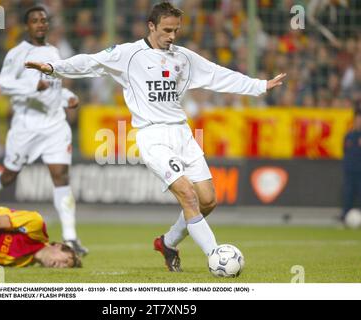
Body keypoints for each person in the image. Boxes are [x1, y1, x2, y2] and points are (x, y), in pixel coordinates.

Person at [26, 2, 286, 272]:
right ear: (151, 26)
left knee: (208, 200)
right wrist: (53, 67)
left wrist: (259, 85)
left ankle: (168, 242)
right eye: (166, 30)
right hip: (153, 136)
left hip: (182, 133)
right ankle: (216, 256)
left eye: (176, 30)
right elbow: (90, 62)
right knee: (187, 194)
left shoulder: (183, 57)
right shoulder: (128, 54)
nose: (172, 36)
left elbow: (217, 75)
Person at [0, 6, 88, 257]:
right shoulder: (17, 54)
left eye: (44, 20)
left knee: (61, 176)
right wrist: (34, 84)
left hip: (55, 125)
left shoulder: (53, 51)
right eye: (35, 21)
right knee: (8, 176)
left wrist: (67, 96)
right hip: (26, 126)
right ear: (27, 26)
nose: (41, 24)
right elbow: (4, 84)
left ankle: (71, 236)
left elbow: (54, 88)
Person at [342, 104, 361, 221]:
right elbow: (344, 151)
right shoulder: (348, 136)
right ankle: (345, 217)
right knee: (347, 196)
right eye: (357, 120)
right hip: (349, 171)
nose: (359, 122)